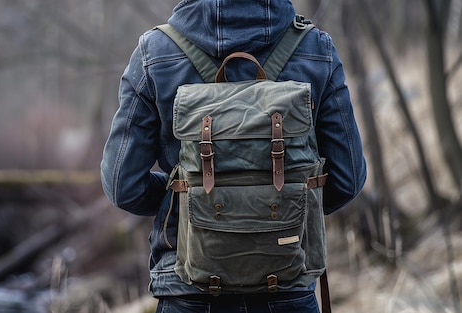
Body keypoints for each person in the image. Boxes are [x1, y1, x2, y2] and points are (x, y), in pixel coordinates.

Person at [100, 0, 367, 312]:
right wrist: (283, 204)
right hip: (287, 281)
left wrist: (188, 199)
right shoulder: (314, 48)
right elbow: (347, 180)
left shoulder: (154, 53)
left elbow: (122, 185)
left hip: (187, 289)